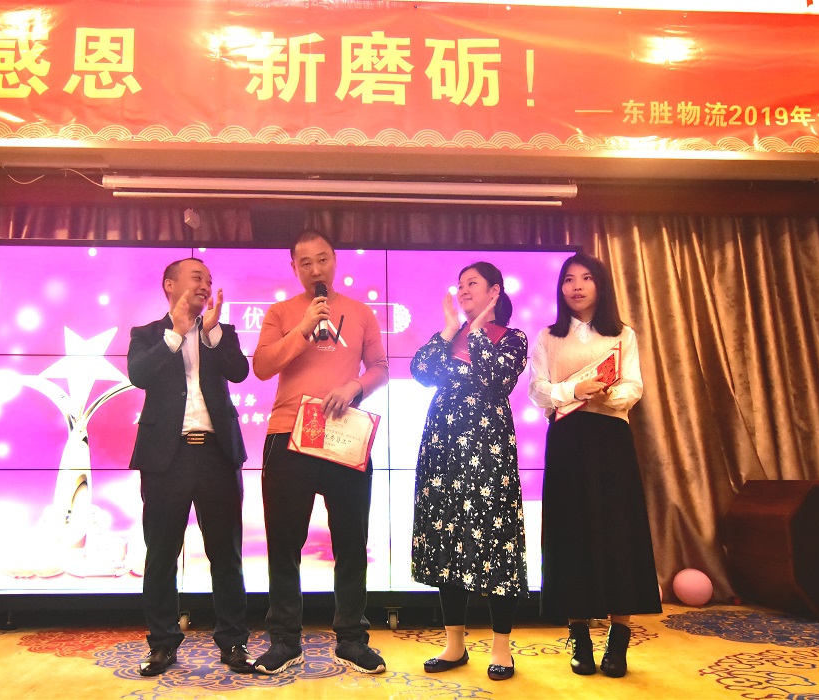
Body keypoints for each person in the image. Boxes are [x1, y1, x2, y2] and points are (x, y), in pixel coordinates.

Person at [251, 230, 389, 675]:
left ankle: (351, 638)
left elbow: (381, 368)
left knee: (351, 541)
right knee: (284, 543)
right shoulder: (281, 312)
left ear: (335, 261)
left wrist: (354, 387)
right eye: (306, 262)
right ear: (294, 268)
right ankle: (284, 639)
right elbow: (262, 366)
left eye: (323, 259)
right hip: (288, 435)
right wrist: (304, 327)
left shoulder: (361, 312)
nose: (316, 269)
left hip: (344, 436)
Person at [528, 252, 662, 679]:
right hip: (567, 440)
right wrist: (575, 390)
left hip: (611, 440)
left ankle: (619, 641)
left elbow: (634, 386)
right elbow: (537, 390)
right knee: (570, 534)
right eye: (569, 279)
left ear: (600, 286)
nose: (577, 286)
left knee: (618, 533)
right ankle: (580, 639)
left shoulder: (622, 334)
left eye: (586, 278)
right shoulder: (548, 336)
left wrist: (607, 394)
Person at [127, 257, 254, 676]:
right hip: (167, 457)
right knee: (162, 554)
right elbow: (139, 375)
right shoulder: (147, 334)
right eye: (197, 277)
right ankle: (162, 644)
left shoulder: (222, 332)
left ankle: (233, 642)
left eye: (209, 280)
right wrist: (176, 334)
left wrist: (212, 332)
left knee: (226, 554)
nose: (205, 286)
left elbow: (240, 372)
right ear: (170, 284)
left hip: (217, 454)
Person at [410, 262, 530, 682]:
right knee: (447, 536)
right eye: (459, 284)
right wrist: (449, 328)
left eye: (472, 284)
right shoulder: (452, 336)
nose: (462, 290)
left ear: (495, 291)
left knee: (497, 538)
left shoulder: (511, 338)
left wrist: (476, 329)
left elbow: (496, 379)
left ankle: (501, 647)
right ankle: (454, 644)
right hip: (442, 449)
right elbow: (420, 371)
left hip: (488, 448)